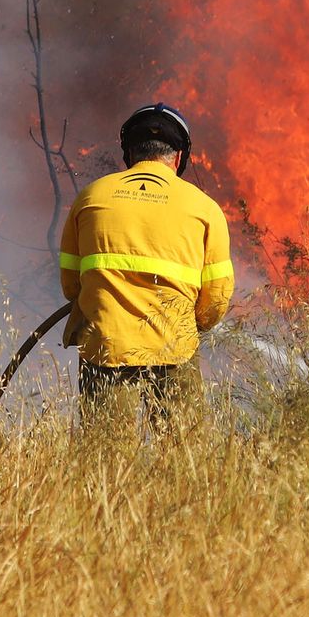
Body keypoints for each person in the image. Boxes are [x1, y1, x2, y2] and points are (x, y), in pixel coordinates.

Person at [58, 103, 234, 429]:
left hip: (105, 346)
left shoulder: (90, 197)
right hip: (174, 348)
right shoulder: (205, 208)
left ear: (129, 152)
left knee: (104, 458)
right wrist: (187, 324)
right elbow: (217, 298)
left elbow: (71, 284)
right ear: (179, 157)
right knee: (185, 460)